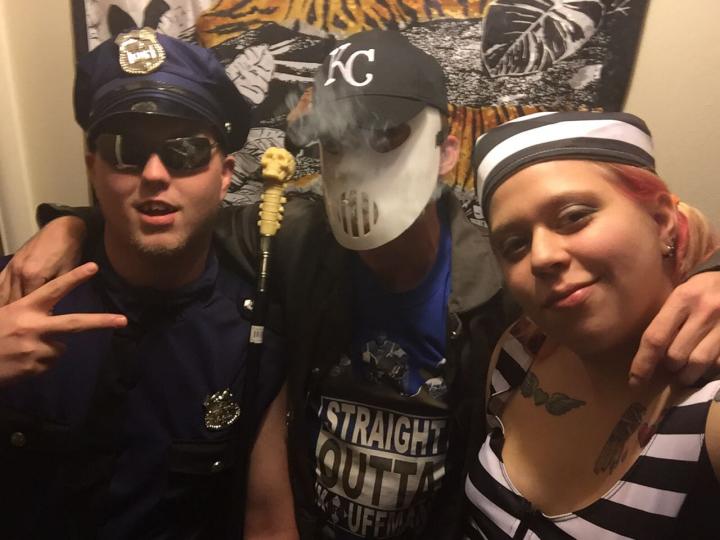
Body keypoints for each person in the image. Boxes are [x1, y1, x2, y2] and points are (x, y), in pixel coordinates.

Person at [4, 31, 720, 540]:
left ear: (446, 148)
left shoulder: (509, 281)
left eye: (384, 136)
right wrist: (70, 223)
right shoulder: (289, 241)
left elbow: (631, 270)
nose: (356, 164)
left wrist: (711, 274)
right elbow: (170, 217)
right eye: (337, 141)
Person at [0, 28, 297, 539]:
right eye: (126, 150)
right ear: (93, 168)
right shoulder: (15, 293)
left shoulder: (252, 340)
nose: (155, 174)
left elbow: (268, 521)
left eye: (185, 151)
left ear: (225, 175)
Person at [464, 111, 720, 539]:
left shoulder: (709, 414)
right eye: (515, 244)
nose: (542, 256)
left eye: (574, 216)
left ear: (661, 221)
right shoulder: (518, 354)